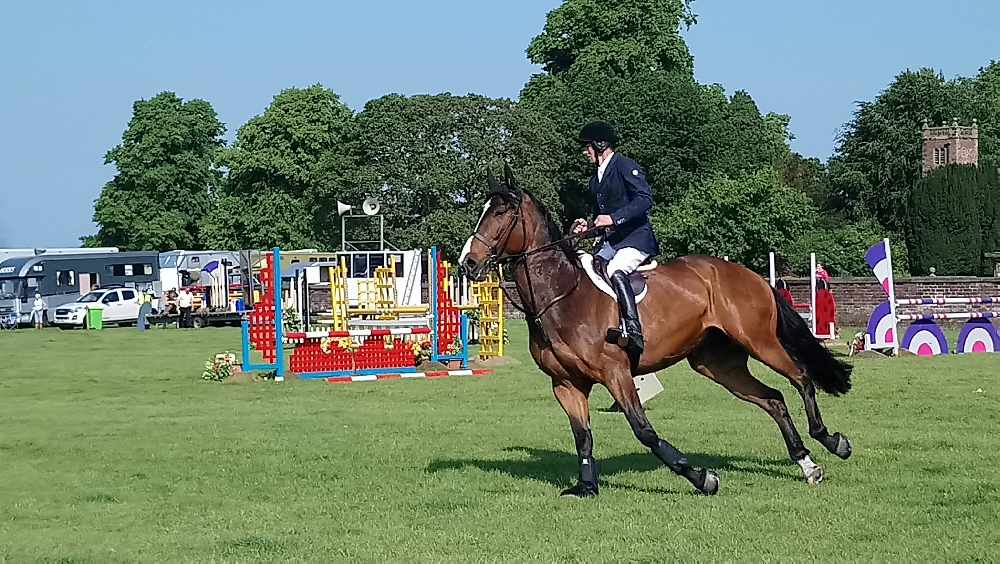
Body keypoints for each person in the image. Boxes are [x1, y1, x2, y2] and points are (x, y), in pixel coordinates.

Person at [571, 121, 660, 364]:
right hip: (613, 241)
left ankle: (633, 330)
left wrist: (613, 218)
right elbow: (601, 218)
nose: (584, 152)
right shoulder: (595, 179)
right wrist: (586, 227)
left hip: (635, 237)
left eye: (587, 147)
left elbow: (644, 199)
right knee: (589, 267)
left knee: (615, 270)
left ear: (600, 145)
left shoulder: (624, 165)